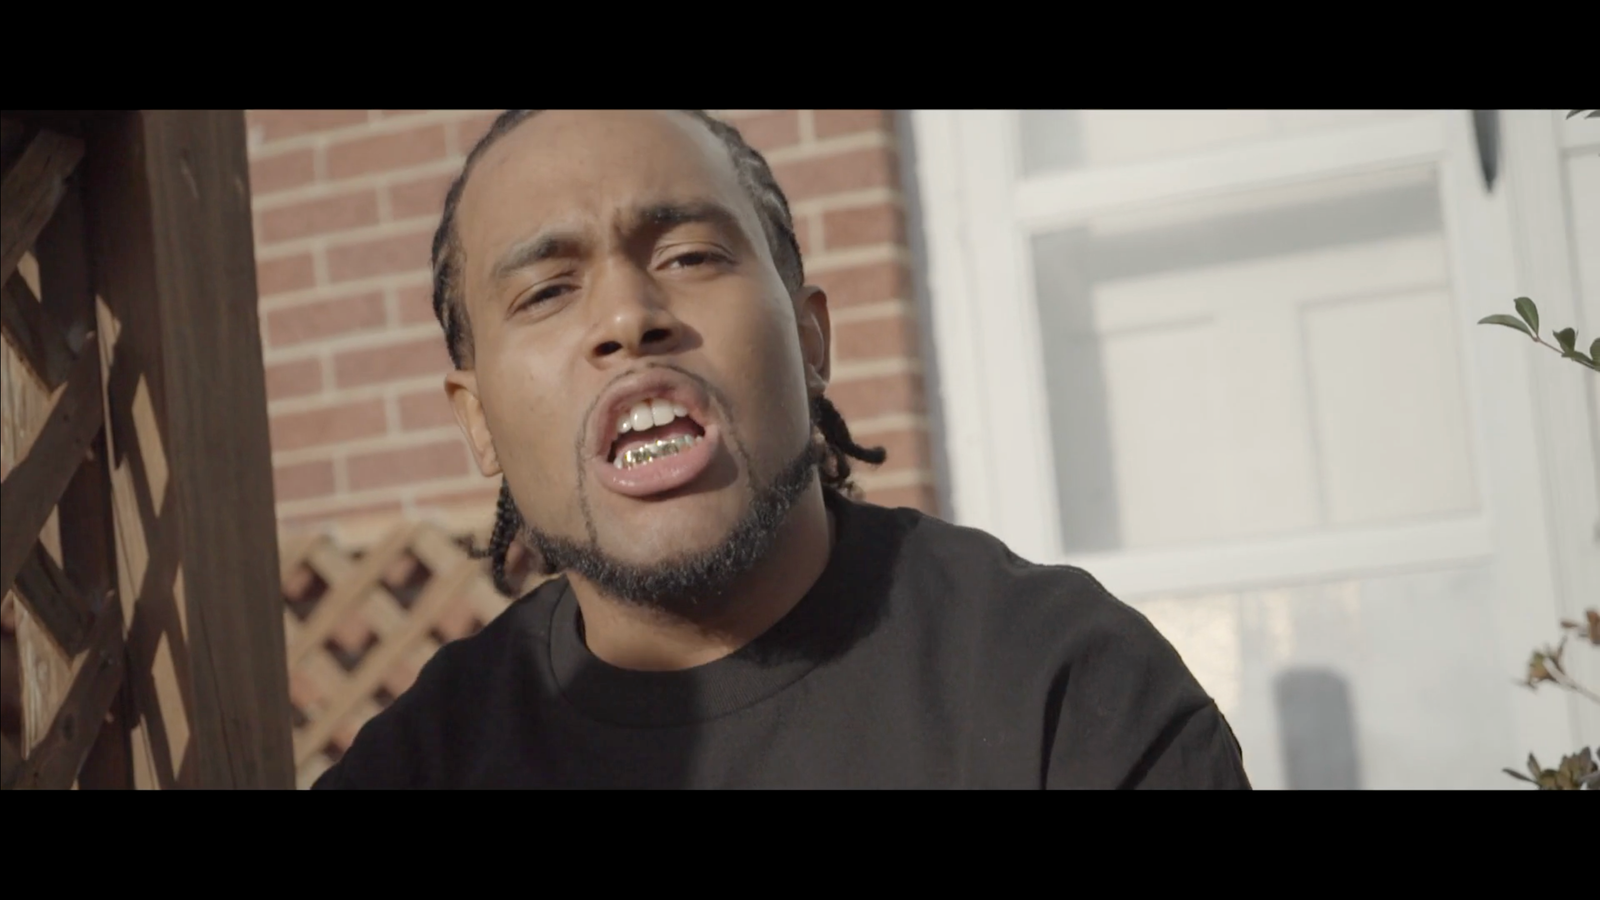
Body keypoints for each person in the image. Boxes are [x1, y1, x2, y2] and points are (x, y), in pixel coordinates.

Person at [312, 109, 1251, 789]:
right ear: (478, 422)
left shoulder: (1062, 686)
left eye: (688, 255)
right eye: (548, 290)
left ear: (810, 340)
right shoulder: (417, 767)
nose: (629, 317)